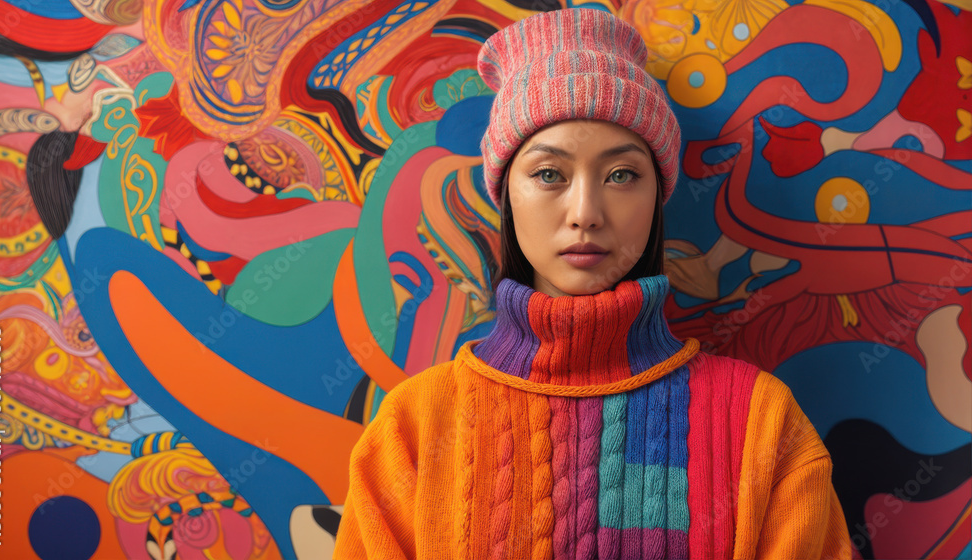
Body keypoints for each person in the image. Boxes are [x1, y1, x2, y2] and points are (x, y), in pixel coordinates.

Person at [333, 8, 851, 559]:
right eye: (549, 173)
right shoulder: (413, 430)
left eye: (622, 175)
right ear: (506, 193)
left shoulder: (761, 423)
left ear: (658, 194)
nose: (585, 212)